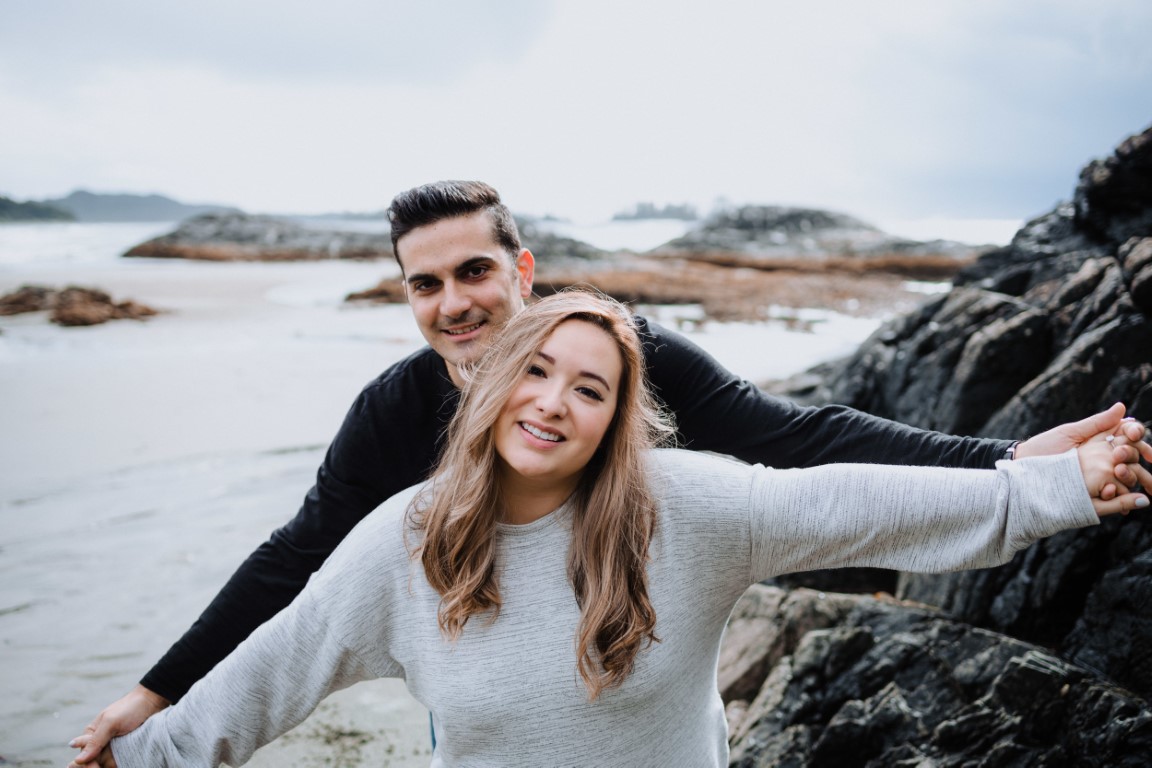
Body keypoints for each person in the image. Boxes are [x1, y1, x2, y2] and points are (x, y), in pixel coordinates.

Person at [69, 181, 1152, 764]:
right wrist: (154, 696)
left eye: (477, 271)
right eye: (425, 284)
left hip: (643, 678)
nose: (455, 304)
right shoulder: (397, 439)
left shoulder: (637, 367)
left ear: (522, 270)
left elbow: (804, 453)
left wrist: (1009, 465)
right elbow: (296, 580)